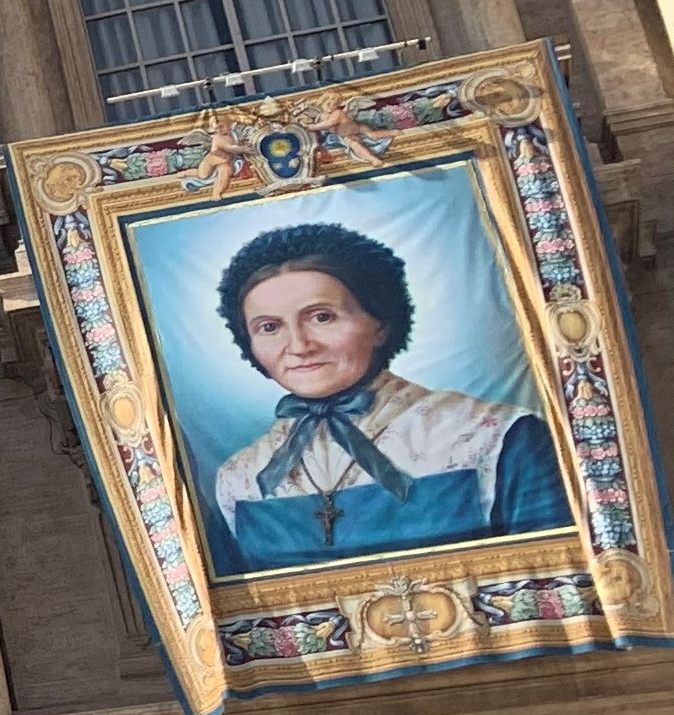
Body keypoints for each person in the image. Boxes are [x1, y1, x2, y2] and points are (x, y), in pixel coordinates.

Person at [200, 219, 570, 576]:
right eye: (269, 327)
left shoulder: (496, 437)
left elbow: (556, 586)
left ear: (380, 322)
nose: (299, 346)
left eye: (322, 317)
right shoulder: (240, 478)